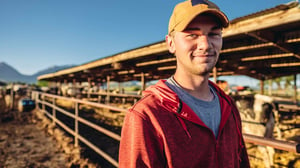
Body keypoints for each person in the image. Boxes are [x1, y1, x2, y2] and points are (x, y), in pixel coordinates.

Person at [119, 0, 250, 167]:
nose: (205, 45)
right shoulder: (147, 115)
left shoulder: (228, 106)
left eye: (213, 34)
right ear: (171, 43)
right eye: (192, 34)